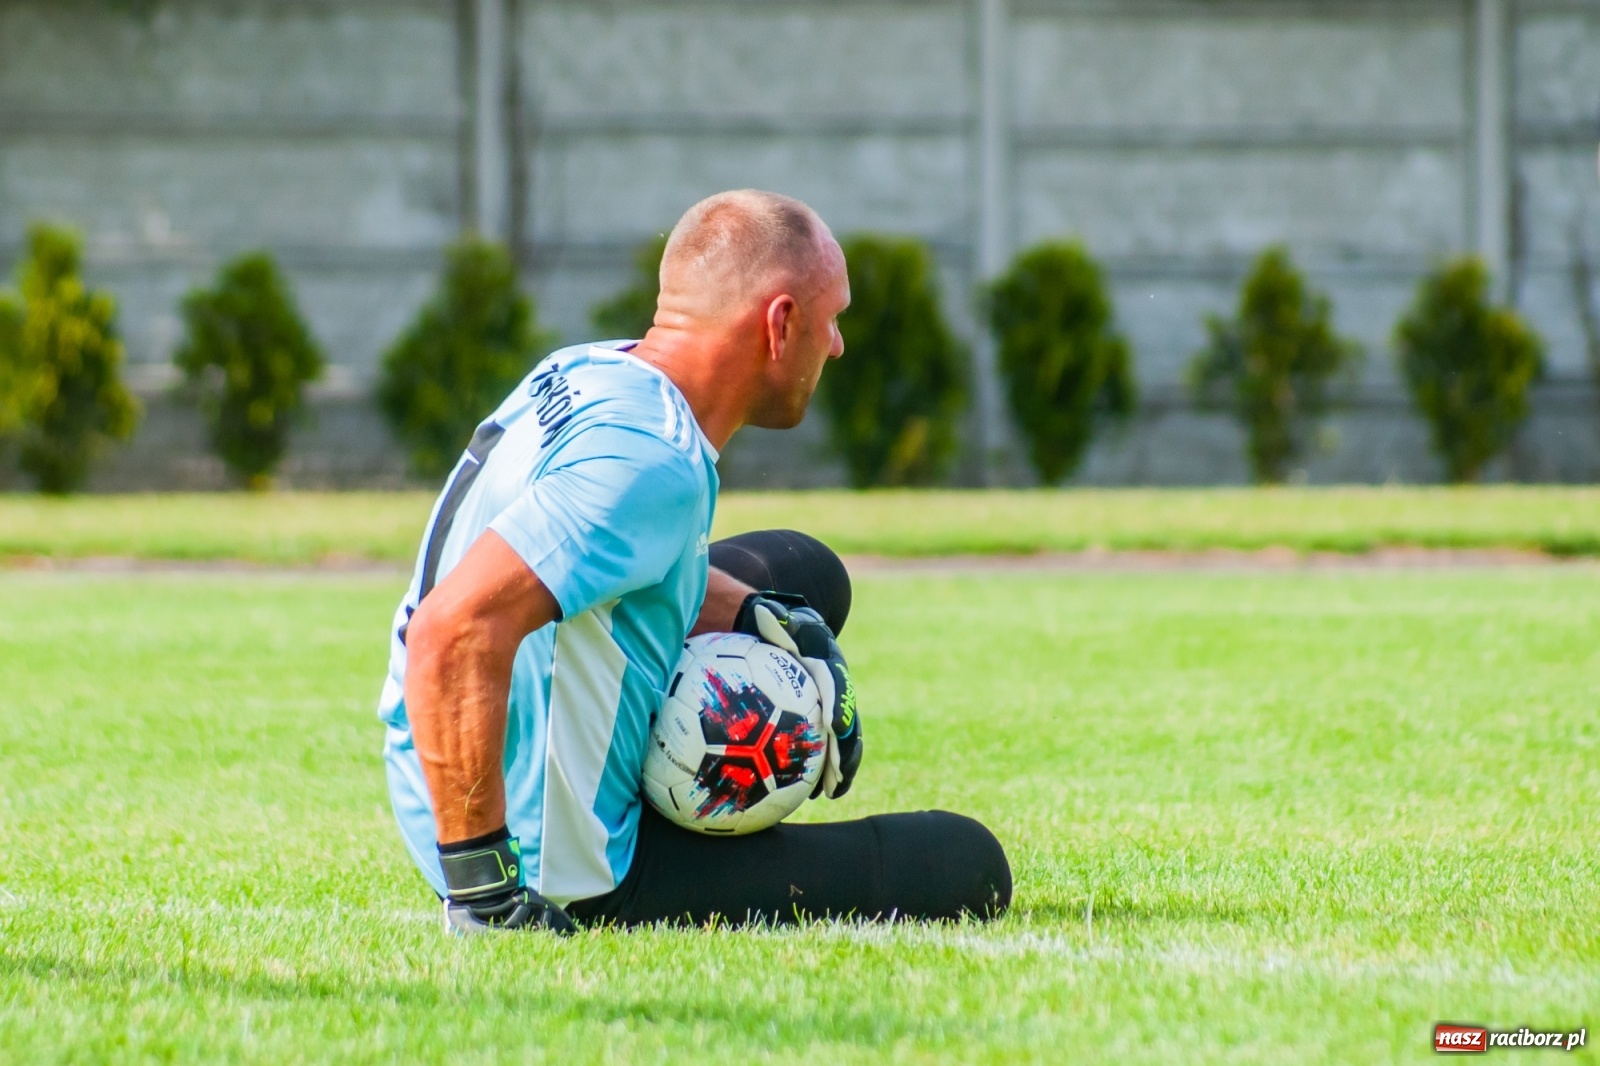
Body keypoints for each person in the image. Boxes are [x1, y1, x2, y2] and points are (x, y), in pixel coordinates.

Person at [378, 189, 1011, 932]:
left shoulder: (591, 369)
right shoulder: (650, 465)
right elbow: (452, 632)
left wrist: (765, 617)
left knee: (805, 574)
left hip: (430, 789)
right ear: (780, 323)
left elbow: (592, 558)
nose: (837, 345)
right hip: (548, 858)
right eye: (832, 319)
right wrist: (486, 890)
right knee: (965, 865)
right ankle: (514, 863)